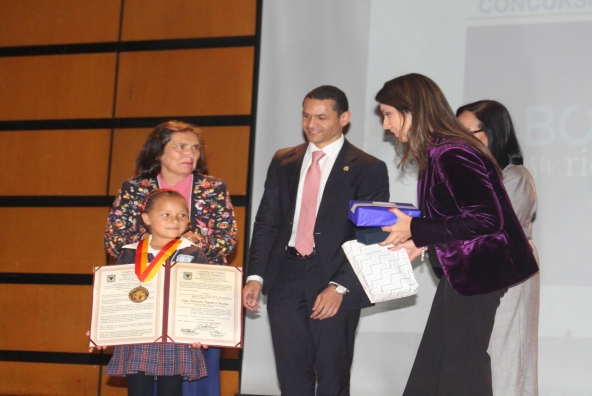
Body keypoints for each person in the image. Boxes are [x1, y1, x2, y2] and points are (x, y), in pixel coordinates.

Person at [375, 74, 539, 396]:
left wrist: (415, 228)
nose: (385, 124)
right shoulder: (440, 151)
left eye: (388, 114)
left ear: (412, 111)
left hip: (479, 274)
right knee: (435, 368)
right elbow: (457, 219)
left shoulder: (452, 152)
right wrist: (418, 240)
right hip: (465, 273)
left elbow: (486, 218)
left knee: (461, 370)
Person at [242, 85, 390, 396]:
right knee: (292, 375)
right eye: (307, 116)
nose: (312, 124)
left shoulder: (368, 168)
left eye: (321, 117)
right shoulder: (285, 160)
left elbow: (370, 236)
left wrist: (340, 286)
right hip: (286, 276)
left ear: (344, 118)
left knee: (332, 375)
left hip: (335, 278)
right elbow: (267, 222)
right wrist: (255, 276)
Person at [105, 121, 238, 396]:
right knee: (141, 377)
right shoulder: (134, 188)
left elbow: (227, 240)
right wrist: (155, 246)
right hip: (144, 302)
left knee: (193, 378)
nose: (190, 153)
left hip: (195, 299)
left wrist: (183, 244)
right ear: (158, 153)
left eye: (195, 148)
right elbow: (115, 240)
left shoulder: (213, 188)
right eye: (180, 146)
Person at [457, 100, 540, 396]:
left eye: (473, 133)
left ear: (496, 133)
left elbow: (494, 231)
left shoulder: (514, 177)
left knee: (507, 354)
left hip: (509, 275)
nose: (464, 142)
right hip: (482, 279)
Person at [103, 189, 210, 396]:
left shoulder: (193, 252)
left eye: (182, 215)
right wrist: (103, 329)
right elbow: (113, 295)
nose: (175, 220)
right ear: (146, 218)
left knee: (171, 391)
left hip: (176, 337)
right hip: (138, 333)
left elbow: (202, 298)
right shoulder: (130, 252)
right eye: (166, 214)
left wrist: (200, 331)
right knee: (138, 390)